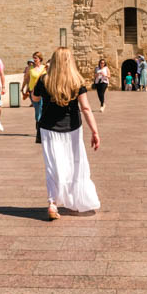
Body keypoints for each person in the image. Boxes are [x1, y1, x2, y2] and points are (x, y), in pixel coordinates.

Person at [31, 47, 101, 220]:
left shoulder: (44, 79)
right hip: (72, 128)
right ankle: (76, 200)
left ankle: (52, 203)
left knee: (53, 166)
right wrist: (95, 131)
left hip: (49, 128)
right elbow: (85, 108)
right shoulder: (77, 80)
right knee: (75, 164)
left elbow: (35, 98)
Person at [22, 51, 47, 123]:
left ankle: (41, 125)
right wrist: (22, 88)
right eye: (33, 58)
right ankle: (38, 124)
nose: (34, 60)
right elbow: (26, 78)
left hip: (43, 91)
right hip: (33, 91)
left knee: (42, 108)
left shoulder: (44, 68)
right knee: (38, 108)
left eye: (35, 58)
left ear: (40, 59)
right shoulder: (30, 68)